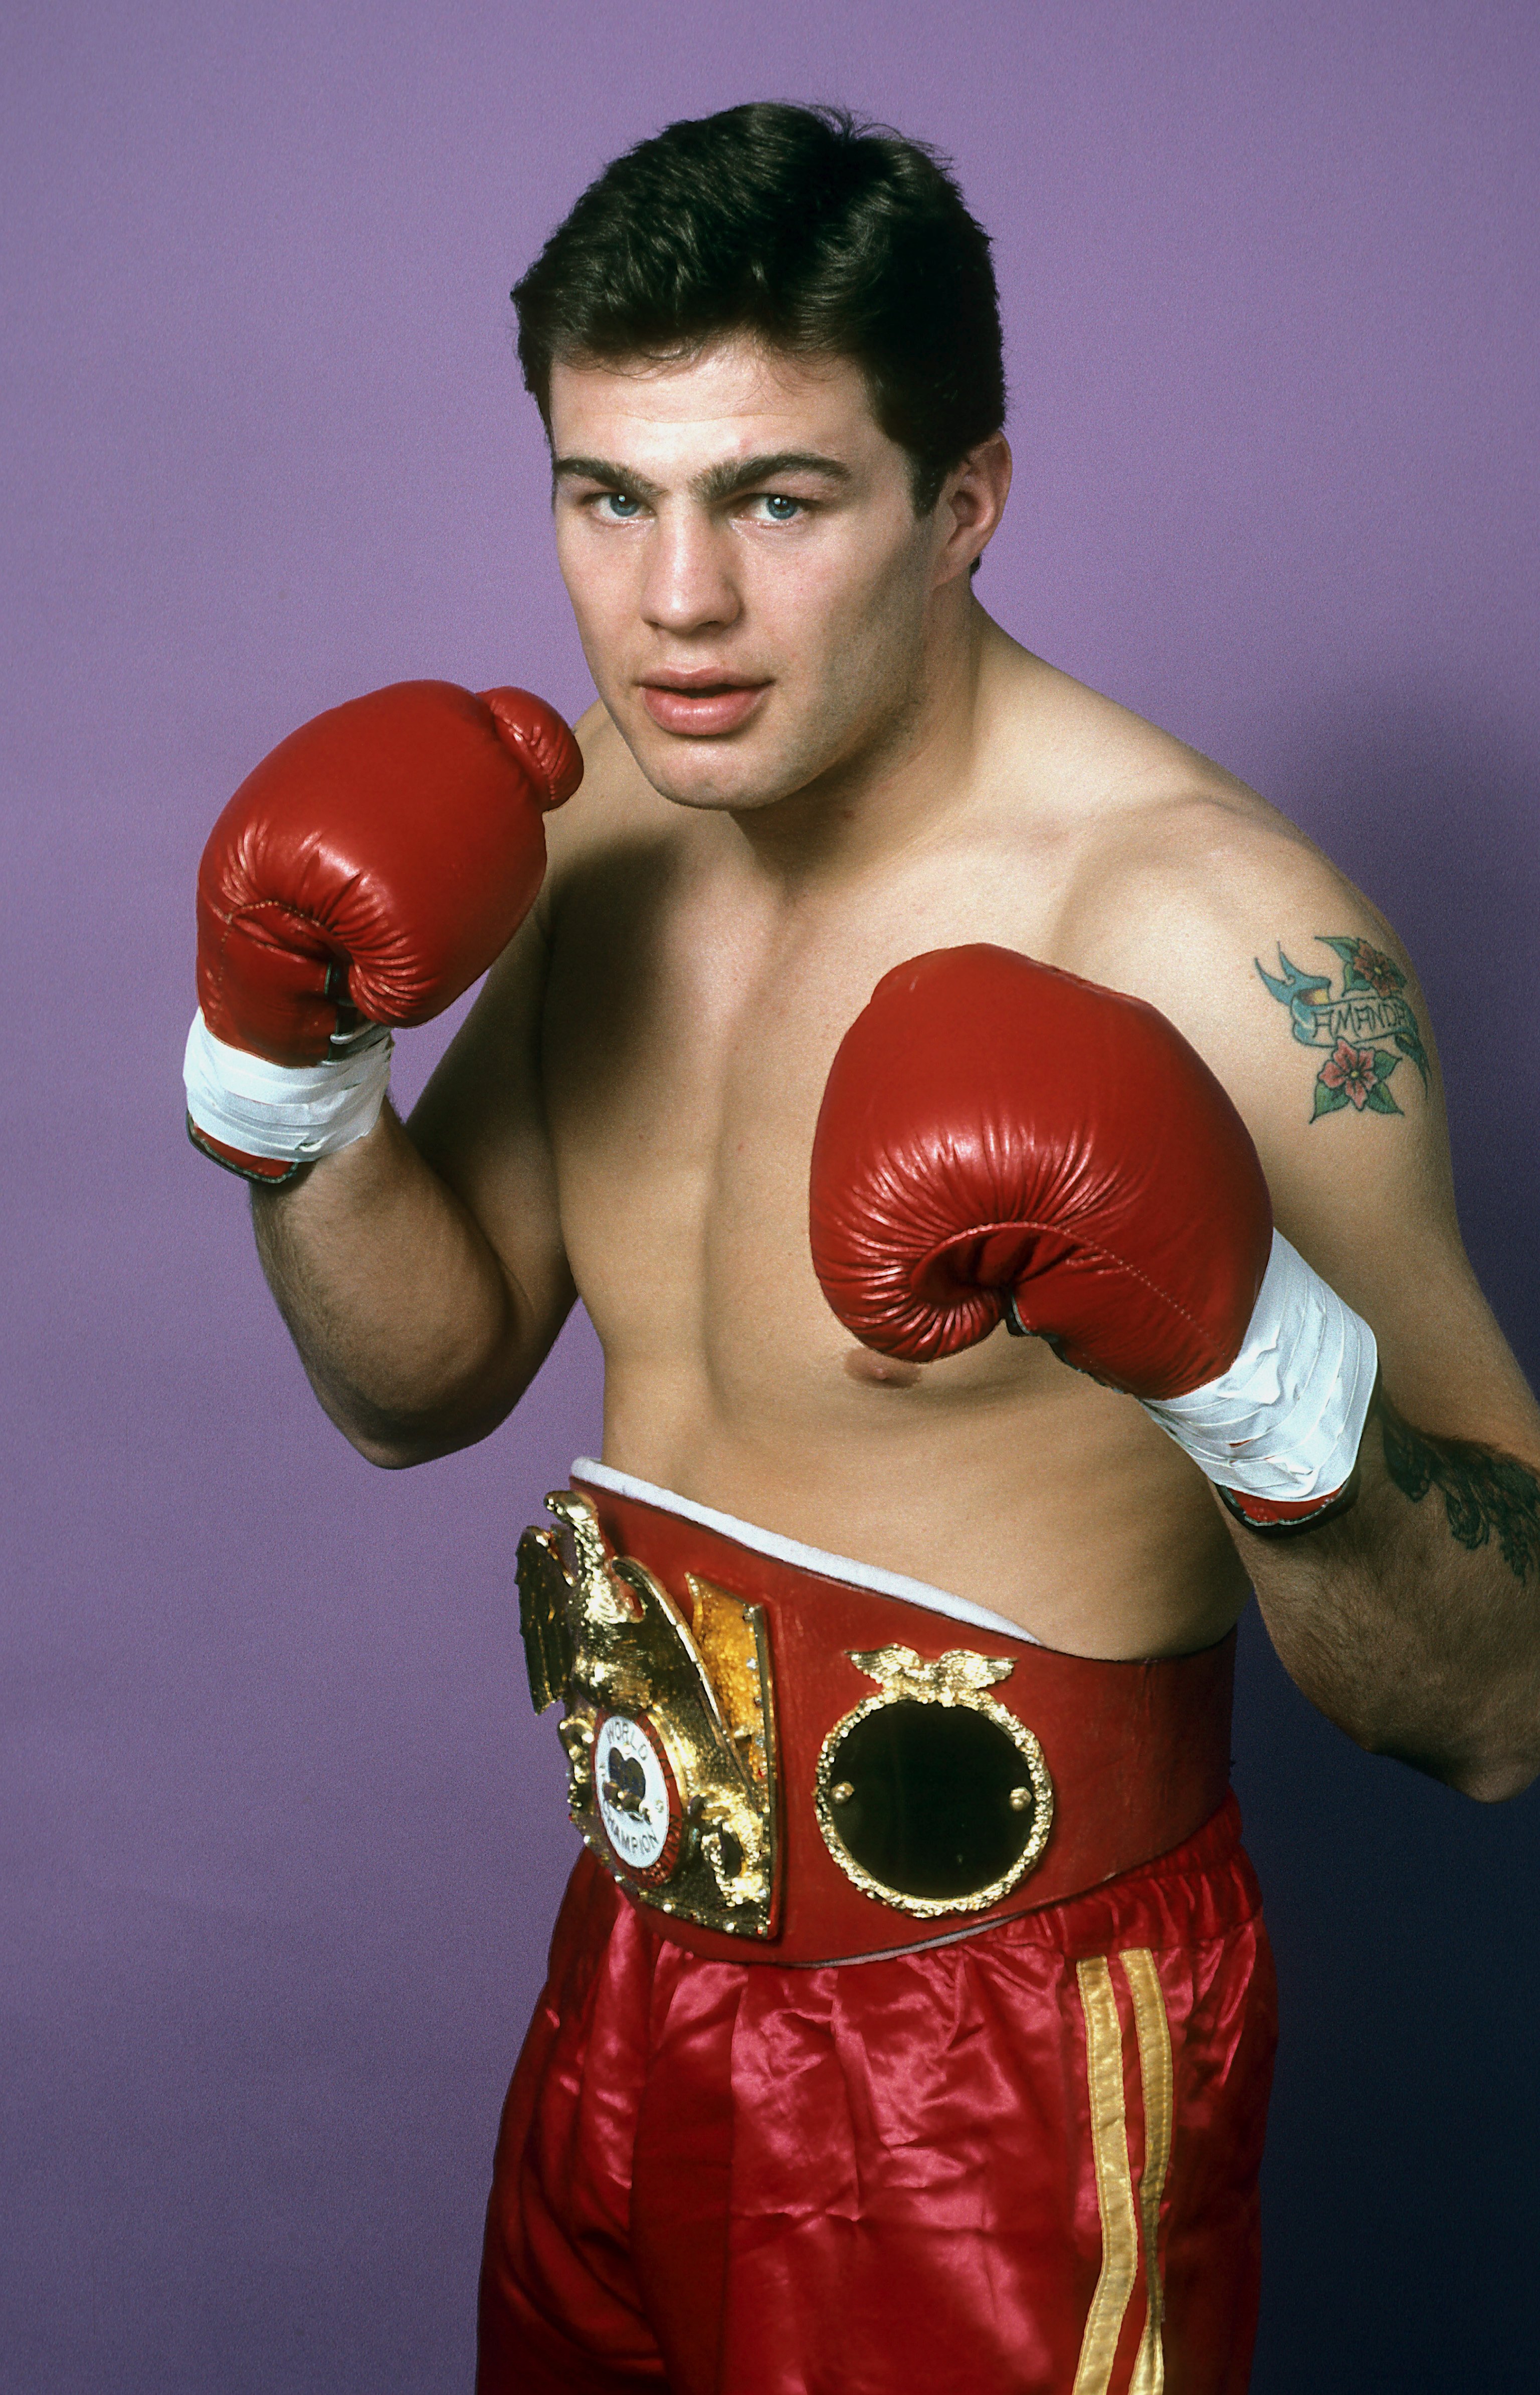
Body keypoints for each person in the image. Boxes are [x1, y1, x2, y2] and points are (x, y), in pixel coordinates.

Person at [182, 102, 1540, 2395]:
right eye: (610, 494)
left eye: (775, 498)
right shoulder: (606, 812)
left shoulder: (1217, 937)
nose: (674, 601)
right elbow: (420, 1375)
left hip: (1000, 2063)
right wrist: (284, 1088)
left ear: (966, 502)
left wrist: (1252, 1353)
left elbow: (1502, 1707)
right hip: (631, 1964)